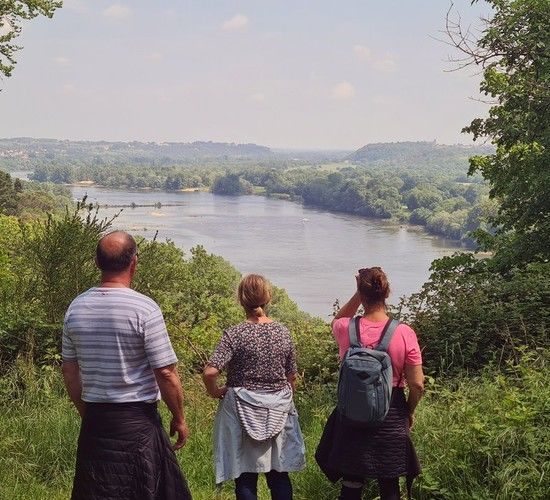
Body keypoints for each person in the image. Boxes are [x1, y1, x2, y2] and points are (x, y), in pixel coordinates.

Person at [61, 230, 192, 500]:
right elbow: (166, 373)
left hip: (96, 423)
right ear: (134, 263)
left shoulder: (76, 308)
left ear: (97, 263)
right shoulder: (144, 309)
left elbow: (69, 371)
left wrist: (89, 412)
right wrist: (179, 417)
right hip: (138, 424)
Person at [315, 267, 425, 500]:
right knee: (389, 482)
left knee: (352, 482)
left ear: (361, 293)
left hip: (352, 413)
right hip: (392, 412)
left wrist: (358, 293)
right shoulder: (404, 332)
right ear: (386, 293)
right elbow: (417, 384)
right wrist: (408, 411)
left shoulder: (346, 328)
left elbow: (338, 319)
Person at [203, 274, 305, 500]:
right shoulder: (283, 332)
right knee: (279, 475)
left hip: (241, 409)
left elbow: (210, 372)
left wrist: (215, 391)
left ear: (241, 300)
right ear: (268, 298)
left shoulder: (235, 334)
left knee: (246, 475)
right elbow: (291, 377)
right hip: (279, 409)